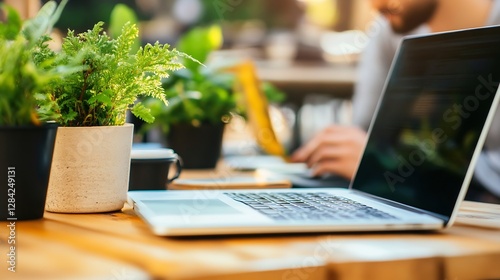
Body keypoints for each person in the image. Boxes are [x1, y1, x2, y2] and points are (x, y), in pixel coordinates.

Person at [291, 0, 500, 203]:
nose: (374, 6)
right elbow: (366, 134)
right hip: (414, 201)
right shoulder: (391, 30)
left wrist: (387, 164)